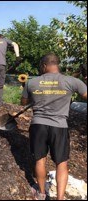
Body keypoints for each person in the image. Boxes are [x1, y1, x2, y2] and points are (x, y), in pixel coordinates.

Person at [21, 53, 87, 200]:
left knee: (40, 160)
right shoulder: (72, 81)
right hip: (59, 126)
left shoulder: (31, 82)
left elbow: (23, 103)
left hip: (38, 125)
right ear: (57, 64)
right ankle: (60, 198)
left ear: (44, 65)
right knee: (61, 163)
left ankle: (41, 193)